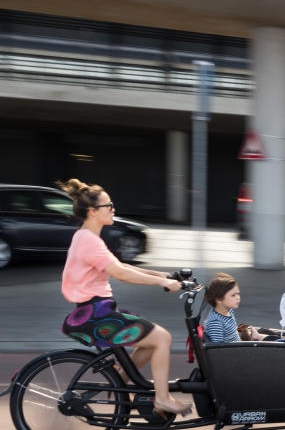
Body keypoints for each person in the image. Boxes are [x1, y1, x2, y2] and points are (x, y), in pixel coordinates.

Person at [57, 178, 190, 417]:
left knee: (150, 339)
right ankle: (162, 399)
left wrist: (162, 274)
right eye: (109, 205)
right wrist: (162, 282)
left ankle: (118, 381)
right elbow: (121, 273)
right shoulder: (89, 240)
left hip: (96, 310)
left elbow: (120, 266)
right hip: (97, 314)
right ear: (93, 211)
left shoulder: (85, 237)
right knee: (162, 339)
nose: (113, 209)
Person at [203, 273, 285, 342]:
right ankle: (283, 342)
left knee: (264, 331)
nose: (238, 297)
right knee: (267, 338)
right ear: (219, 299)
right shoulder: (216, 323)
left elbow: (230, 331)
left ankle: (283, 339)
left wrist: (243, 332)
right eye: (233, 295)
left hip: (238, 343)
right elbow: (217, 349)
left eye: (238, 294)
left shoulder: (228, 311)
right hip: (237, 353)